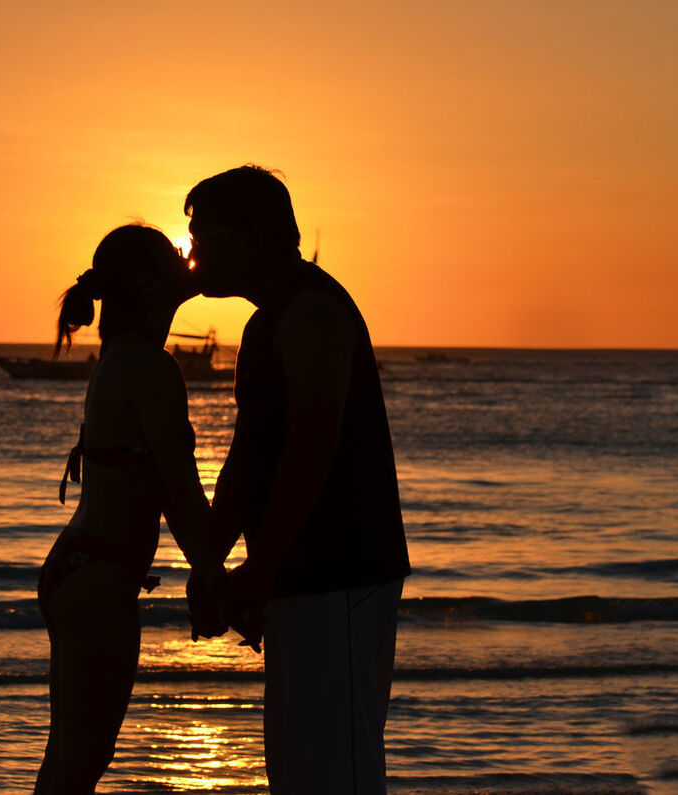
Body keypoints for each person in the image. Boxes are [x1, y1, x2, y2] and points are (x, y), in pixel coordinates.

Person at [184, 166, 412, 794]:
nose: (194, 256)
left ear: (253, 236)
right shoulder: (266, 325)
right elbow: (248, 459)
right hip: (298, 578)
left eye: (203, 240)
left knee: (335, 771)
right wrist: (211, 565)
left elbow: (312, 447)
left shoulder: (312, 310)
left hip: (339, 574)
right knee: (299, 770)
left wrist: (259, 569)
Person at [34, 224, 227, 795]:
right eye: (174, 255)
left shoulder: (118, 358)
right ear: (147, 282)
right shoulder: (150, 366)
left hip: (78, 569)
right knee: (79, 769)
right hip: (101, 581)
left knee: (65, 766)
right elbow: (181, 494)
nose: (187, 259)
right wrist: (216, 583)